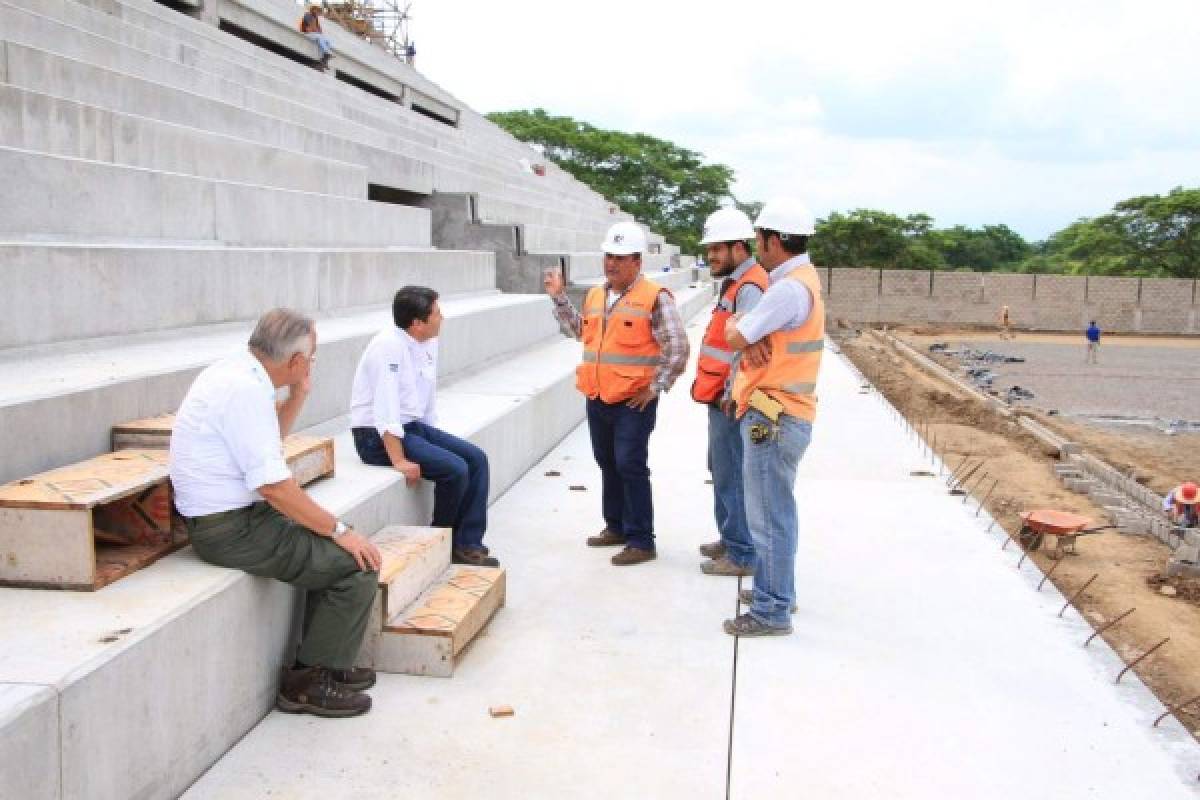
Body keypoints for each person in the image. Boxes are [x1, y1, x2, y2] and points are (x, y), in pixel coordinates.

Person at [170, 309, 381, 718]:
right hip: (231, 529)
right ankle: (306, 682)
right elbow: (273, 487)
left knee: (337, 543)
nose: (312, 365)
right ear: (296, 362)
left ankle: (328, 662)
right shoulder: (245, 390)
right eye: (312, 358)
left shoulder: (239, 373)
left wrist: (298, 396)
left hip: (238, 517)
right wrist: (338, 530)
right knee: (357, 562)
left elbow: (268, 445)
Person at [545, 222, 689, 566]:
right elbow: (579, 331)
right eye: (609, 256)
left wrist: (656, 387)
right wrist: (559, 299)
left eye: (621, 258)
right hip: (598, 395)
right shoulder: (596, 294)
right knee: (607, 462)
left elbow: (678, 347)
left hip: (633, 400)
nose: (612, 264)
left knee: (629, 464)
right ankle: (617, 526)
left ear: (637, 262)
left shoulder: (655, 297)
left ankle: (641, 539)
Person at [721, 200, 825, 637]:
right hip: (784, 415)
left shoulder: (785, 289)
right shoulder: (803, 280)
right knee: (777, 512)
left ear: (775, 240)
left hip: (774, 417)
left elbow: (734, 333)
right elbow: (747, 335)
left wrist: (744, 331)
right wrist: (748, 334)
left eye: (759, 239)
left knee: (767, 517)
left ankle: (771, 610)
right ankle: (778, 590)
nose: (755, 247)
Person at [350, 287, 496, 567]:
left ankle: (468, 543)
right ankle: (439, 542)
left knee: (477, 459)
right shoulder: (388, 346)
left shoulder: (427, 341)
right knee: (455, 469)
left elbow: (425, 398)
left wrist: (433, 442)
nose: (442, 318)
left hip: (412, 427)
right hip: (375, 436)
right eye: (437, 314)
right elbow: (385, 409)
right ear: (417, 323)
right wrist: (399, 459)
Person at [692, 208, 768, 577]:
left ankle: (741, 552)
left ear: (739, 248)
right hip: (718, 394)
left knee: (731, 472)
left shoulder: (750, 286)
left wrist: (732, 391)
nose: (711, 257)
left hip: (730, 398)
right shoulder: (736, 283)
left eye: (716, 250)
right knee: (720, 469)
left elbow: (747, 344)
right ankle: (730, 535)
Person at [299, 4, 333, 70]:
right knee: (319, 37)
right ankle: (326, 53)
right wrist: (316, 30)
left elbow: (319, 30)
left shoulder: (316, 18)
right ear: (314, 10)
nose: (318, 13)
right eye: (318, 11)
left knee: (327, 41)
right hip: (307, 32)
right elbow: (311, 27)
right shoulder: (308, 15)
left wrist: (317, 30)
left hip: (314, 33)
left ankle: (323, 60)